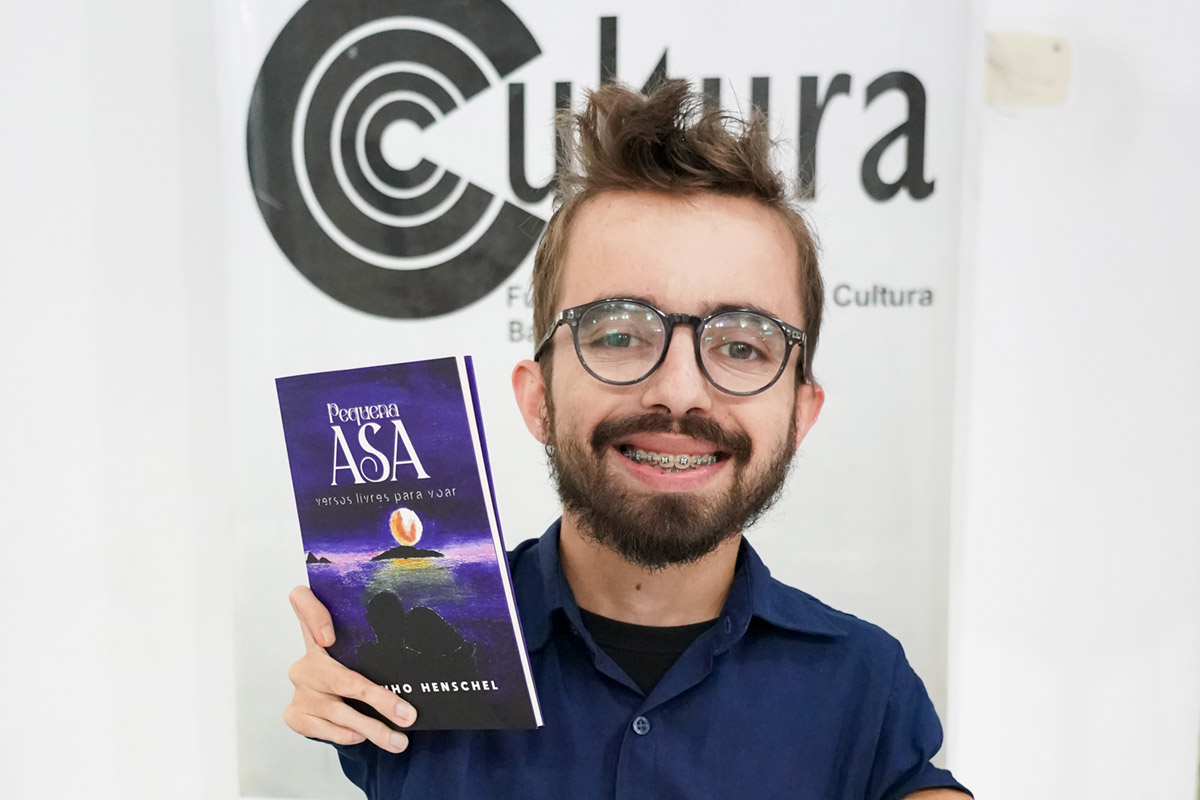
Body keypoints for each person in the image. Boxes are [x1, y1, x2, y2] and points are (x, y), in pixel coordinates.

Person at [284, 80, 972, 800]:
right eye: (618, 334)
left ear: (801, 414)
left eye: (742, 345)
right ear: (538, 397)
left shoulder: (866, 686)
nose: (680, 390)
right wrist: (347, 684)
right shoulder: (410, 646)